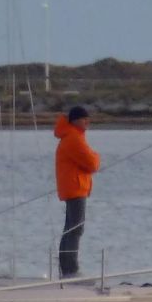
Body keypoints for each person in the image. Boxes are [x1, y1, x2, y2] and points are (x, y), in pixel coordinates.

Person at [52, 106, 101, 278]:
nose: (87, 121)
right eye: (84, 118)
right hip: (75, 188)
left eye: (88, 118)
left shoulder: (72, 136)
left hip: (73, 186)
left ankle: (67, 268)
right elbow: (92, 163)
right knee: (76, 228)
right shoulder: (74, 138)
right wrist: (96, 156)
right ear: (75, 120)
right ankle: (70, 269)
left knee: (71, 228)